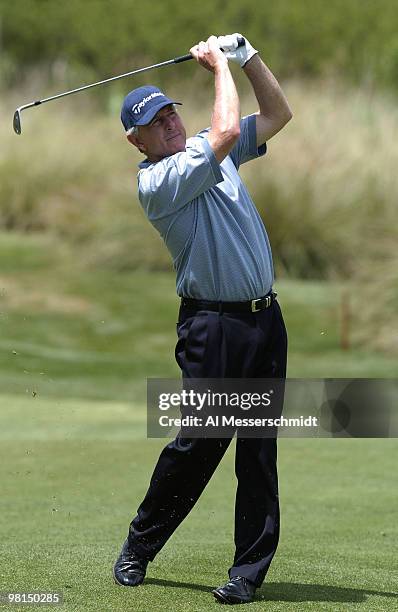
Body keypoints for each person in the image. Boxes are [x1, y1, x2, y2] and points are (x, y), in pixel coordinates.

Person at [114, 33, 292, 605]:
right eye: (154, 121)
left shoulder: (203, 147)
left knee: (258, 450)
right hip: (212, 326)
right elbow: (218, 135)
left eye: (170, 112)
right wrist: (218, 67)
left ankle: (247, 573)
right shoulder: (157, 182)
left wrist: (248, 58)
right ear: (134, 139)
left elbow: (278, 115)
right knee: (199, 444)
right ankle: (140, 545)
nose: (168, 123)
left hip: (265, 322)